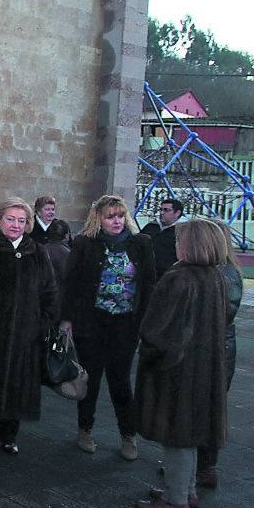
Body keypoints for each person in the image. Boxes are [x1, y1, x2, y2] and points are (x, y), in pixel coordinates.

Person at [132, 219, 229, 508]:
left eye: (179, 240)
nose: (176, 244)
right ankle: (186, 491)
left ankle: (176, 499)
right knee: (191, 432)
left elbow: (158, 331)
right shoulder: (215, 277)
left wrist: (150, 352)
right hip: (203, 368)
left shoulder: (179, 278)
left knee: (176, 434)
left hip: (177, 371)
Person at [60, 194, 157, 460]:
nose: (116, 221)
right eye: (110, 216)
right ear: (99, 219)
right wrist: (66, 319)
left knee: (120, 380)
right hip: (92, 321)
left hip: (126, 322)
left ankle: (128, 434)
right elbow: (71, 282)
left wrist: (146, 320)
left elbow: (149, 283)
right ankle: (85, 429)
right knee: (89, 379)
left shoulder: (141, 243)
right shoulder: (85, 244)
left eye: (120, 215)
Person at [0, 197, 58, 455]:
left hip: (26, 335)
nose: (16, 225)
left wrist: (41, 323)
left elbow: (50, 291)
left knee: (19, 386)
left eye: (21, 220)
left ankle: (9, 435)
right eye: (10, 219)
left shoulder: (37, 251)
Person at [195, 219, 243, 488]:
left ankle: (205, 466)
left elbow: (223, 313)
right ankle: (196, 466)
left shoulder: (224, 274)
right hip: (218, 346)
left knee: (207, 408)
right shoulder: (221, 272)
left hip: (216, 348)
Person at [29, 195, 71, 291]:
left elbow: (69, 245)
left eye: (53, 209)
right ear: (38, 212)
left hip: (57, 277)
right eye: (47, 209)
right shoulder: (30, 227)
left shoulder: (61, 226)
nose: (51, 212)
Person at [139, 197, 185, 277]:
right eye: (161, 209)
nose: (162, 213)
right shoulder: (151, 227)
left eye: (166, 210)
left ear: (177, 213)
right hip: (144, 274)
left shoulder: (183, 231)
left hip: (169, 276)